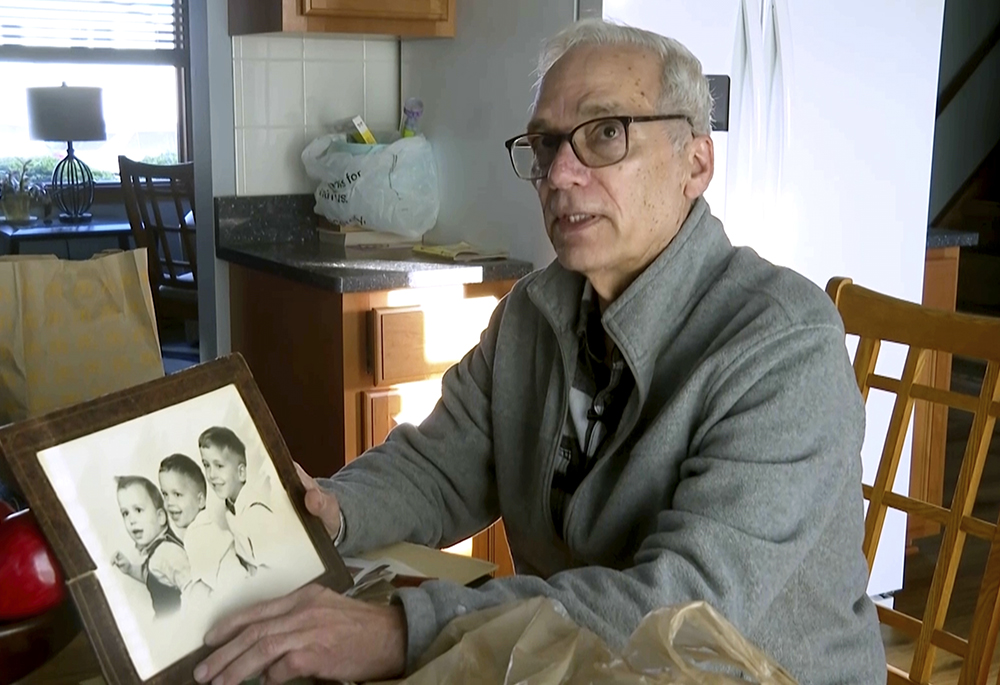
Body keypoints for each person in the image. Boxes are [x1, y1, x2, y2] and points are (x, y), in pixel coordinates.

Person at [195, 18, 884, 685]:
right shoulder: (535, 308)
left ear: (696, 163)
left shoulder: (783, 345)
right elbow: (441, 465)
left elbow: (677, 614)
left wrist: (400, 631)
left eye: (606, 133)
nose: (559, 174)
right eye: (546, 143)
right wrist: (331, 506)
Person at [158, 453, 245, 598]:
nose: (169, 503)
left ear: (200, 500)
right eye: (165, 495)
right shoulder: (205, 527)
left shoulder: (197, 535)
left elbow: (202, 589)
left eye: (177, 494)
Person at [197, 426, 279, 573]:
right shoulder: (230, 508)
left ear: (241, 472)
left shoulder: (256, 513)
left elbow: (274, 568)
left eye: (219, 466)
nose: (211, 474)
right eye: (206, 465)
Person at [112, 475, 191, 618]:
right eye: (125, 513)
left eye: (138, 510)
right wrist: (130, 569)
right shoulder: (156, 553)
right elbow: (154, 576)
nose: (131, 520)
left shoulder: (168, 552)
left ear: (161, 517)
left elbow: (194, 589)